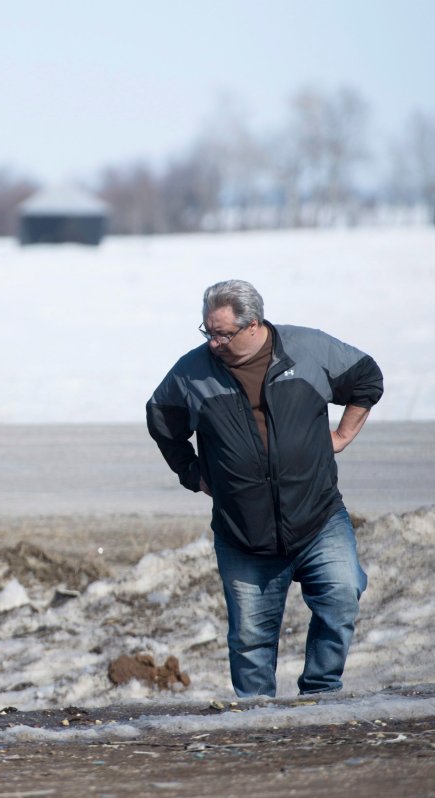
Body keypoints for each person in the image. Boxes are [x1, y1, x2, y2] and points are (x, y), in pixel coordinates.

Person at [146, 279, 383, 697]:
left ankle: (321, 691)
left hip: (318, 517)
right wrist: (193, 473)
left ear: (253, 325)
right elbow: (161, 420)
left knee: (342, 596)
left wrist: (342, 436)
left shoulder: (307, 349)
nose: (213, 342)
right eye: (208, 331)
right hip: (243, 531)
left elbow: (366, 379)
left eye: (222, 333)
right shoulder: (192, 372)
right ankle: (257, 722)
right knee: (250, 640)